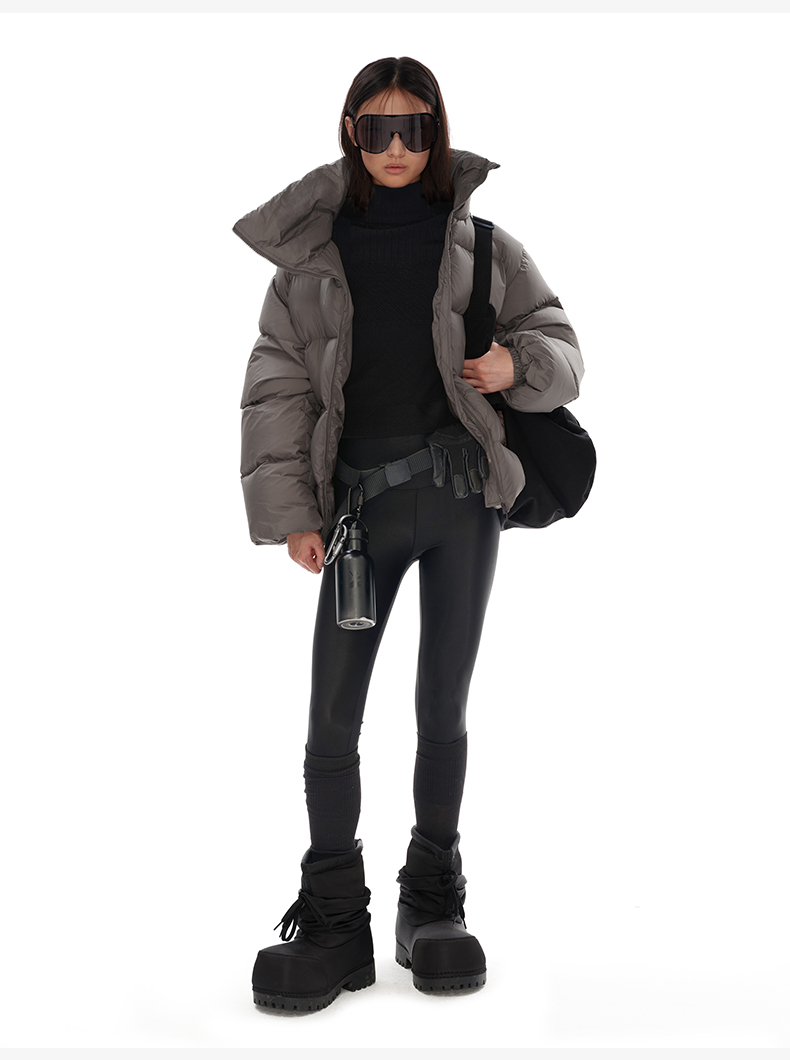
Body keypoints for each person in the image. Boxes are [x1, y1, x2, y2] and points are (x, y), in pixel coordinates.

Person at [232, 56, 584, 1013]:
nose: (396, 147)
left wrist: (518, 364)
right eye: (378, 128)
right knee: (331, 714)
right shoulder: (311, 256)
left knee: (442, 705)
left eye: (415, 128)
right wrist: (294, 515)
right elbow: (278, 382)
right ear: (351, 131)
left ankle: (430, 903)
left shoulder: (486, 245)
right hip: (357, 514)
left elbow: (563, 348)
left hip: (463, 502)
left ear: (436, 132)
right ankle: (335, 919)